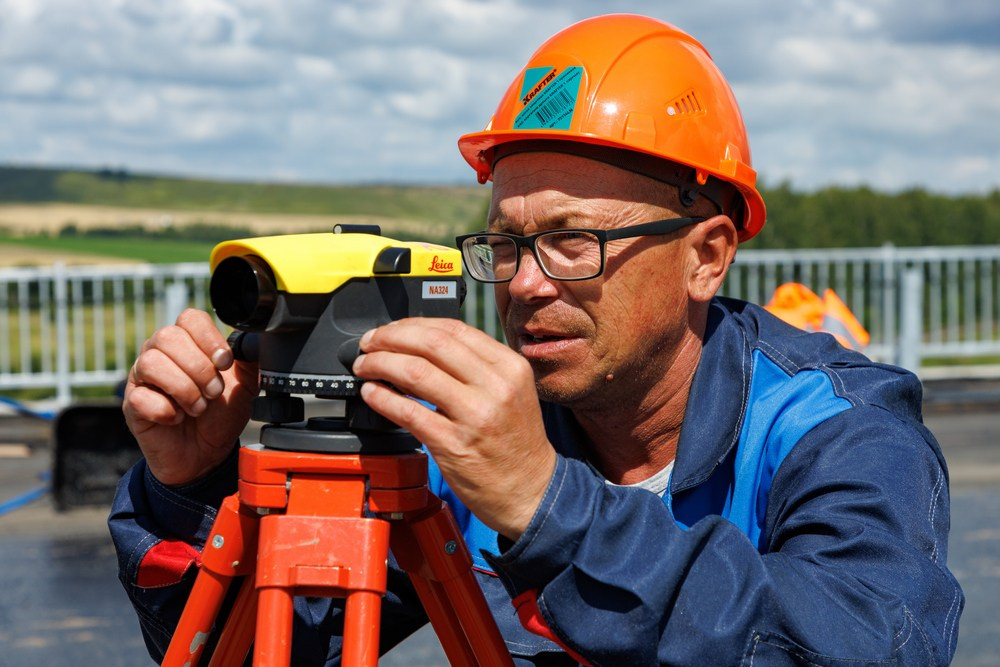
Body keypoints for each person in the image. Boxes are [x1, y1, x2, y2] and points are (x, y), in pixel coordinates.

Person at [110, 13, 964, 665]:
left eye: (573, 241)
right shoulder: (472, 447)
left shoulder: (838, 428)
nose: (524, 283)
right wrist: (189, 488)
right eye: (508, 244)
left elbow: (873, 640)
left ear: (706, 256)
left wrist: (549, 505)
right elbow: (283, 643)